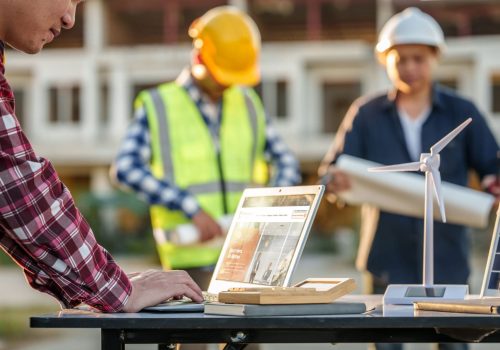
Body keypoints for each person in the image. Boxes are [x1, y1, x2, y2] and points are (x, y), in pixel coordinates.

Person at [0, 0, 203, 314]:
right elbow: (14, 181)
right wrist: (114, 289)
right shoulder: (162, 102)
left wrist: (104, 285)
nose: (70, 19)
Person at [319, 7, 499, 350]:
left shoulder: (463, 112)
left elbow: (492, 163)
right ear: (385, 60)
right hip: (386, 255)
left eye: (419, 58)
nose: (410, 68)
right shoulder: (365, 112)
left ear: (435, 58)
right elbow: (331, 169)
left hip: (448, 254)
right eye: (400, 59)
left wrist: (494, 182)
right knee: (386, 343)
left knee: (453, 342)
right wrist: (334, 181)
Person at [112, 6, 301, 290]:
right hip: (189, 261)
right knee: (195, 335)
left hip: (249, 256)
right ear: (199, 57)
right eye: (223, 75)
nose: (229, 84)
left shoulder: (248, 102)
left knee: (250, 335)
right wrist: (190, 208)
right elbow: (126, 169)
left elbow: (286, 161)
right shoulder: (159, 104)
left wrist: (269, 211)